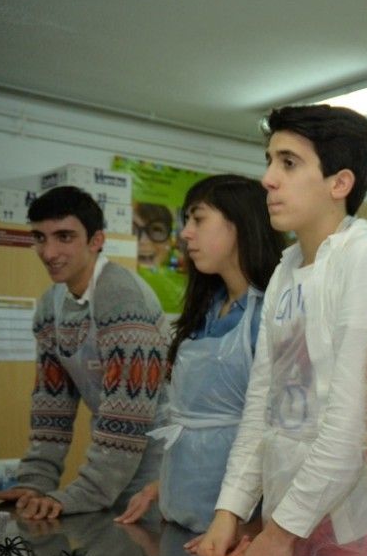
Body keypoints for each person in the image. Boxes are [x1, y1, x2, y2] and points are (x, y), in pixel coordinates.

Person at [189, 104, 367, 556]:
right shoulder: (287, 270)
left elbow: (355, 422)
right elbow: (261, 408)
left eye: (288, 163)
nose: (268, 179)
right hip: (288, 517)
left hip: (354, 526)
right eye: (269, 160)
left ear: (339, 183)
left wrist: (281, 532)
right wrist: (229, 512)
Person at [0, 186, 169, 519]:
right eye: (39, 238)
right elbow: (51, 410)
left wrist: (78, 495)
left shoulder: (123, 297)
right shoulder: (51, 305)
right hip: (110, 465)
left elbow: (128, 418)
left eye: (64, 237)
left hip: (159, 467)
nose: (49, 252)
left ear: (96, 241)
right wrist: (34, 483)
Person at [115, 175, 284, 532]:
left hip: (239, 527)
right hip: (180, 511)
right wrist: (164, 484)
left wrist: (253, 531)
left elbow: (273, 434)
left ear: (239, 224)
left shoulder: (269, 314)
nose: (186, 233)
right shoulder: (209, 308)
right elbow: (195, 424)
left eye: (198, 219)